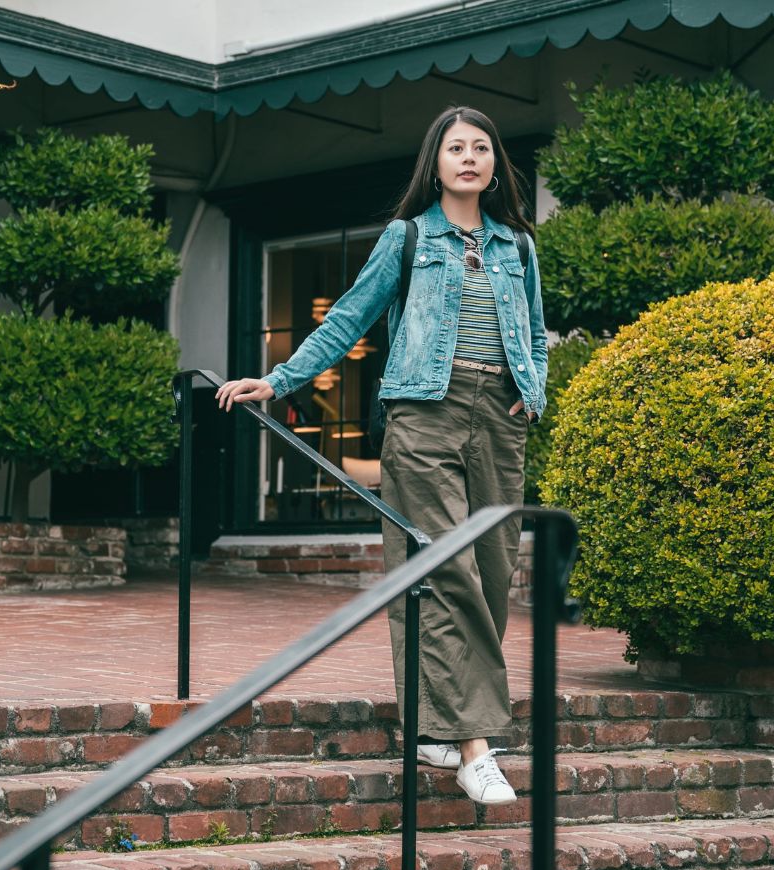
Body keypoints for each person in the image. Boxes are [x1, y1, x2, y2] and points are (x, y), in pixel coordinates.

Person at [215, 106, 547, 805]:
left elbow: (536, 332)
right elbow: (349, 317)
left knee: (490, 574)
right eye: (455, 147)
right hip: (424, 411)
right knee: (444, 564)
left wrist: (533, 392)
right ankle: (474, 747)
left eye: (480, 148)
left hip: (500, 417)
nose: (468, 158)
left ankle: (433, 724)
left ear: (494, 166)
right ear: (435, 162)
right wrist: (279, 380)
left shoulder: (517, 245)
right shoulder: (407, 238)